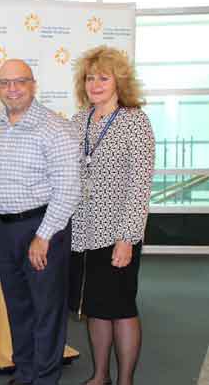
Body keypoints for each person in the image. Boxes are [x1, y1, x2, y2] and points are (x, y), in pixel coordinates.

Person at [0, 59, 80, 385]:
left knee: (47, 311)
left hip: (42, 229)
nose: (12, 89)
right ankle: (25, 373)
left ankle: (45, 379)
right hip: (5, 228)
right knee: (18, 308)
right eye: (4, 83)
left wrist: (43, 236)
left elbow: (69, 189)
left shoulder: (55, 128)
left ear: (33, 85)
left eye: (19, 81)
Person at [69, 46, 155, 385]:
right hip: (82, 233)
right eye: (90, 78)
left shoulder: (135, 121)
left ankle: (125, 380)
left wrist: (127, 238)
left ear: (119, 81)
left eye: (103, 78)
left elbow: (140, 185)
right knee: (95, 307)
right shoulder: (79, 121)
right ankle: (100, 375)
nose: (95, 84)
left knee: (120, 308)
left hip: (117, 233)